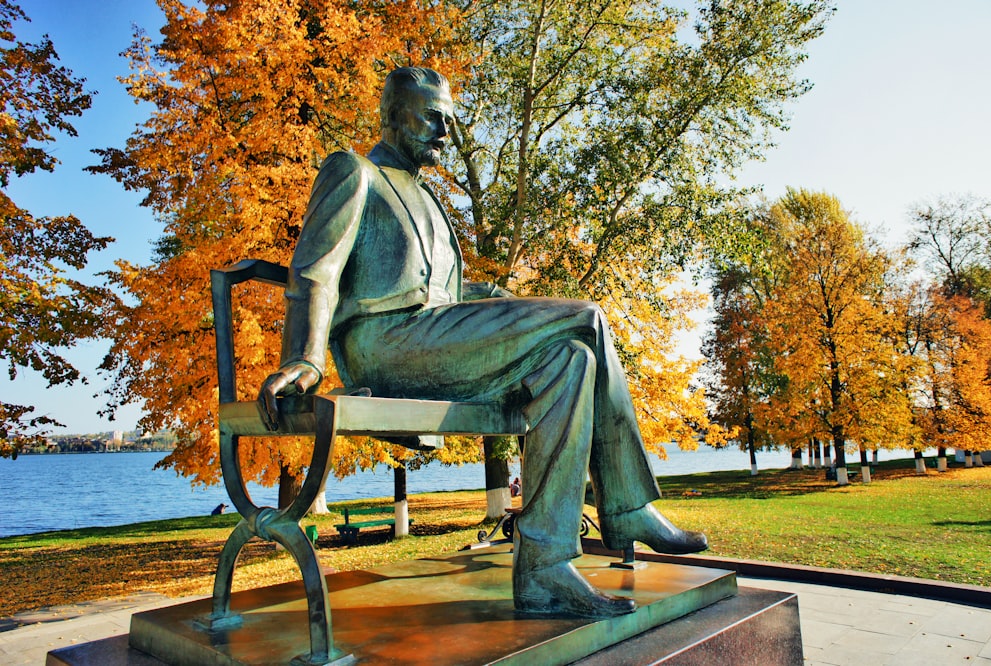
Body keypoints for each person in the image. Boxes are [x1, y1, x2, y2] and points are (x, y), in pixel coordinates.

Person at [259, 67, 707, 618]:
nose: (446, 132)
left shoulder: (431, 202)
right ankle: (625, 505)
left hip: (434, 339)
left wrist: (500, 300)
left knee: (571, 360)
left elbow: (440, 290)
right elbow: (315, 271)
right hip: (385, 343)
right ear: (393, 116)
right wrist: (303, 358)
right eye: (432, 118)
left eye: (450, 120)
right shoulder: (355, 172)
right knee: (587, 318)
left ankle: (544, 567)